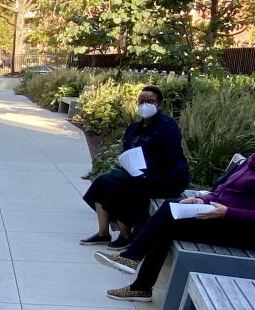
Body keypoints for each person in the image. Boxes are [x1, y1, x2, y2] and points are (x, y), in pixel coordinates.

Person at [95, 104, 255, 302]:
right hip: (220, 217)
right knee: (171, 214)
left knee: (168, 215)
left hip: (244, 231)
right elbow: (225, 188)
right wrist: (203, 199)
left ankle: (133, 262)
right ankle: (139, 283)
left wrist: (228, 212)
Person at [81, 85, 189, 249]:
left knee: (122, 188)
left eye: (150, 101)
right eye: (141, 101)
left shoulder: (168, 127)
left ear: (159, 104)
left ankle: (126, 235)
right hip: (134, 172)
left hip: (165, 176)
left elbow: (168, 157)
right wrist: (123, 162)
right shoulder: (134, 128)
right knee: (102, 182)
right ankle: (103, 233)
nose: (144, 105)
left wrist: (141, 171)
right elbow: (127, 151)